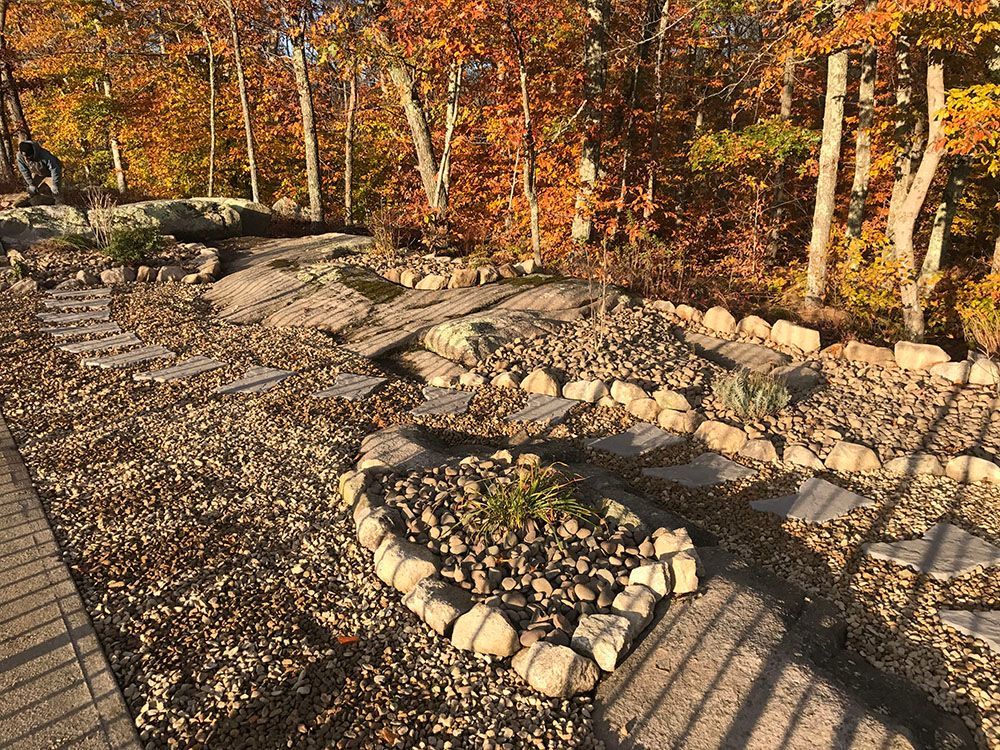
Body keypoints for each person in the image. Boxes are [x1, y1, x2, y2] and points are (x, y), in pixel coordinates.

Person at [16, 140, 63, 204]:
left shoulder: (45, 155)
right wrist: (31, 184)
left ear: (33, 152)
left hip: (50, 174)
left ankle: (60, 206)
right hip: (37, 173)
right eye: (25, 157)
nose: (26, 159)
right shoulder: (20, 156)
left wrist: (55, 184)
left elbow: (55, 169)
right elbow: (24, 171)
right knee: (32, 190)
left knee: (55, 191)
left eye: (28, 157)